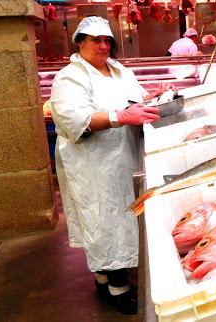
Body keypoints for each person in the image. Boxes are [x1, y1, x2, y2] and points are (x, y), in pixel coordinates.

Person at [49, 16, 173, 315]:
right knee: (105, 222)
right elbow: (73, 120)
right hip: (93, 164)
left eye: (107, 40)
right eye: (96, 40)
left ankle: (103, 279)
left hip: (123, 156)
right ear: (80, 42)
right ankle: (119, 291)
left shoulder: (118, 69)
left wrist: (153, 95)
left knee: (120, 220)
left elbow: (134, 98)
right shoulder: (70, 77)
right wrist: (120, 117)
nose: (103, 46)